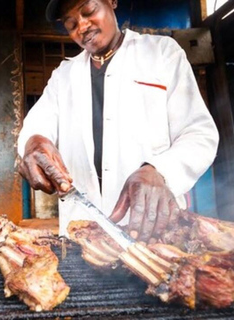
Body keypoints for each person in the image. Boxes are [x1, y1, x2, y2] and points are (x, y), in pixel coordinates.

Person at [17, 0, 219, 241]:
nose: (82, 26)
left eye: (89, 11)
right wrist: (34, 143)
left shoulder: (162, 53)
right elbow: (36, 126)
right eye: (71, 24)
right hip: (82, 238)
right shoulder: (64, 76)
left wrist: (160, 171)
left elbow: (199, 134)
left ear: (112, 1)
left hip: (152, 230)